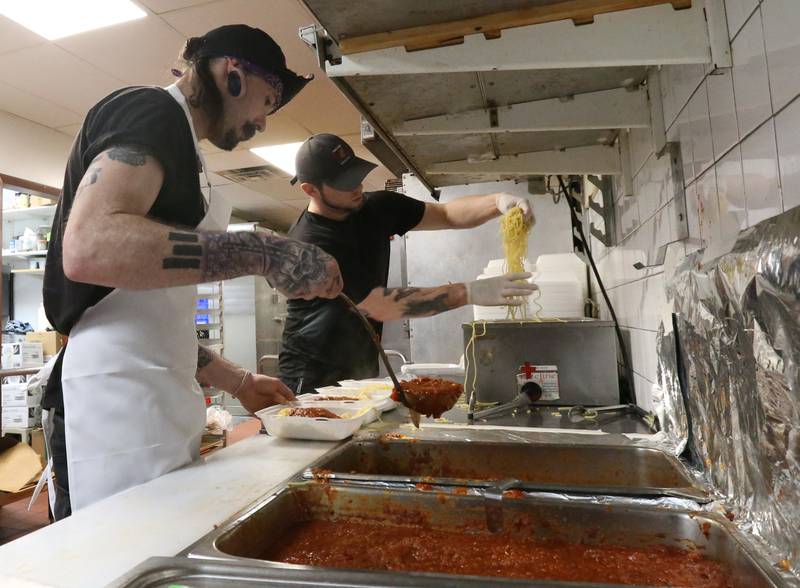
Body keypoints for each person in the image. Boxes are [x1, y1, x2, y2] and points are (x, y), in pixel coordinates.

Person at [40, 25, 343, 520]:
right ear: (233, 75)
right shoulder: (149, 110)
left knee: (158, 551)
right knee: (114, 555)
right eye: (268, 101)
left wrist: (237, 380)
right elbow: (90, 248)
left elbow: (151, 313)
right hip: (109, 399)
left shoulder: (187, 153)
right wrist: (263, 253)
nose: (264, 122)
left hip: (155, 393)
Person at [279, 133, 536, 393]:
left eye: (356, 176)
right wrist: (468, 292)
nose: (356, 187)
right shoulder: (309, 247)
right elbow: (381, 305)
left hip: (360, 366)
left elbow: (447, 214)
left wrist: (498, 202)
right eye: (344, 183)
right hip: (310, 376)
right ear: (310, 189)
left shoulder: (375, 207)